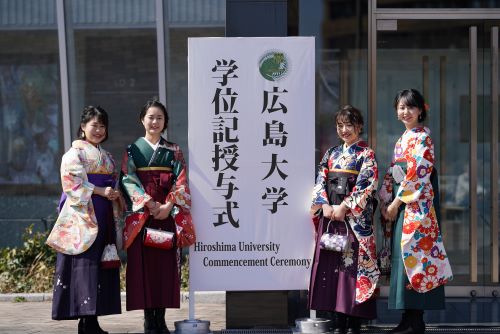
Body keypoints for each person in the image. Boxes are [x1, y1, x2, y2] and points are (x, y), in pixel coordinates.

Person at [379, 89, 453, 334]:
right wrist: (385, 198)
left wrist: (395, 203)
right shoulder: (403, 139)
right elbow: (394, 171)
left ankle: (416, 319)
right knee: (405, 259)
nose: (405, 112)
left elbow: (418, 175)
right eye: (401, 107)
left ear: (421, 110)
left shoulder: (422, 139)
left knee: (417, 258)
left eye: (410, 107)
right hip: (403, 205)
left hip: (418, 208)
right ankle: (408, 317)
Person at [120, 100, 193, 334]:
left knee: (164, 267)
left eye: (159, 118)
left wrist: (168, 204)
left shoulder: (174, 150)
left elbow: (181, 180)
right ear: (142, 119)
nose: (154, 122)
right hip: (143, 215)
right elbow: (127, 179)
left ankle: (160, 319)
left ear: (165, 122)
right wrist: (149, 203)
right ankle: (148, 319)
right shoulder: (133, 150)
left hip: (166, 213)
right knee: (144, 267)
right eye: (150, 117)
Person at [46, 106, 122, 334]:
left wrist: (115, 194)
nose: (98, 130)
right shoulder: (74, 154)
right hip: (83, 216)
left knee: (100, 265)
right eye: (94, 125)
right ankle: (85, 321)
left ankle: (93, 320)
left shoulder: (106, 156)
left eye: (102, 126)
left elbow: (113, 181)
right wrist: (101, 191)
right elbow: (72, 183)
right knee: (84, 267)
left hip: (104, 213)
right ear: (83, 127)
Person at [309, 105, 380, 334]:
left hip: (353, 220)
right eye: (340, 125)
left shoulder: (366, 154)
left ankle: (355, 322)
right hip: (332, 217)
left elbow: (366, 185)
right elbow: (320, 179)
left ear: (359, 126)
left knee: (353, 269)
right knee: (333, 268)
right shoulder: (331, 153)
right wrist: (326, 205)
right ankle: (338, 319)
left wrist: (345, 206)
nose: (344, 130)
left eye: (349, 125)